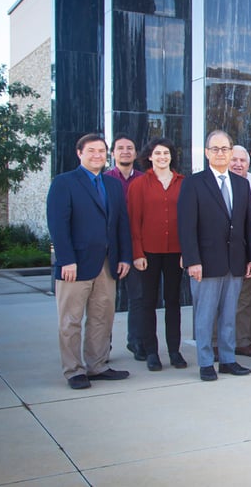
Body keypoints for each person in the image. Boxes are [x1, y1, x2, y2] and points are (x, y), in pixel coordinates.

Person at [47, 134, 133, 389]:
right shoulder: (64, 183)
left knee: (102, 317)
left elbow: (121, 224)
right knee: (71, 320)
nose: (97, 155)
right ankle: (74, 370)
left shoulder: (112, 185)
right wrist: (66, 260)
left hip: (107, 264)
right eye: (92, 151)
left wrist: (125, 256)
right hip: (75, 265)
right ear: (79, 153)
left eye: (101, 151)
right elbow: (58, 225)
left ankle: (97, 365)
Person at [178, 130, 251, 381]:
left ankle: (227, 360)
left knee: (228, 315)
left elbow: (248, 224)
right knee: (205, 315)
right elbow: (186, 226)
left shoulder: (241, 183)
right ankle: (205, 363)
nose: (221, 153)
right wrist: (192, 260)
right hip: (205, 263)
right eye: (215, 149)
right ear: (206, 152)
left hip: (235, 261)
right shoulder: (193, 183)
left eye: (225, 149)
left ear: (231, 151)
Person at [127, 138, 185, 371]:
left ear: (172, 156)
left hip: (176, 252)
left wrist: (188, 253)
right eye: (158, 153)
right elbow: (133, 222)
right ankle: (151, 351)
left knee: (173, 302)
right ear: (150, 157)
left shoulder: (183, 183)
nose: (162, 157)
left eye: (166, 153)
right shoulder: (139, 185)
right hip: (148, 253)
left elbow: (189, 219)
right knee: (147, 303)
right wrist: (137, 253)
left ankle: (174, 351)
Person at [105, 134, 144, 361]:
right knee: (105, 300)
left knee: (137, 297)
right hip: (111, 247)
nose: (126, 152)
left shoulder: (143, 179)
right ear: (113, 153)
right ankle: (103, 346)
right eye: (120, 148)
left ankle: (136, 342)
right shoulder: (106, 179)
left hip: (136, 245)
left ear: (136, 153)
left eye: (130, 148)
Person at [226, 145, 251, 357]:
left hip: (248, 248)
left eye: (242, 161)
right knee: (219, 299)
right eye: (234, 159)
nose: (238, 164)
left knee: (247, 299)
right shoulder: (209, 181)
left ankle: (242, 340)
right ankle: (215, 343)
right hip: (219, 251)